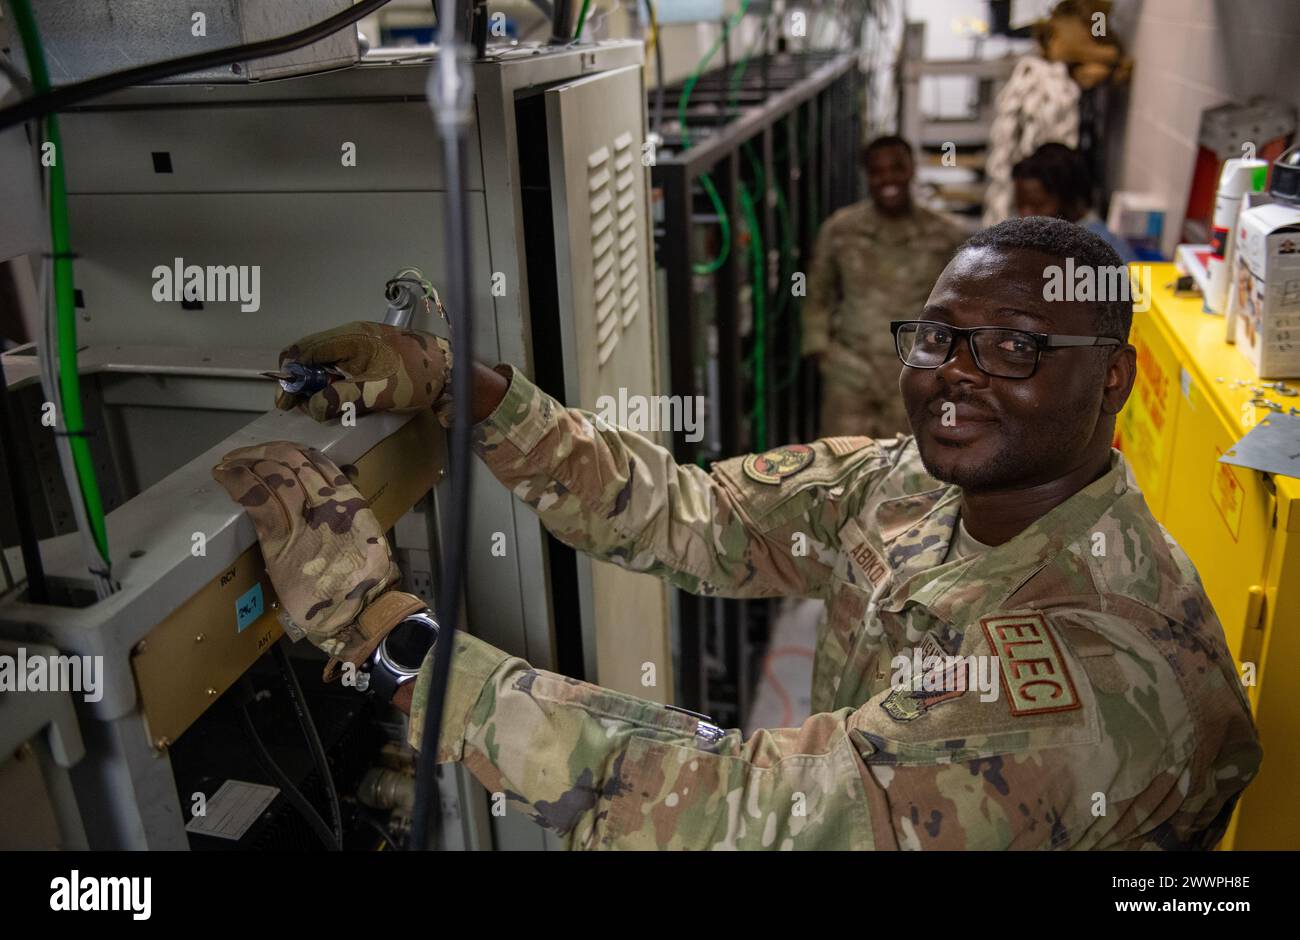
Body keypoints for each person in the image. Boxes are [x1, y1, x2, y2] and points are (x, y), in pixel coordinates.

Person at [215, 217, 1260, 850]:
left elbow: (749, 812)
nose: (956, 372)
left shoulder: (1102, 667)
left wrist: (387, 635)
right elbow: (694, 515)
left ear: (1112, 377)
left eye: (1017, 348)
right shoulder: (911, 482)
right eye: (937, 336)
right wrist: (469, 388)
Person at [802, 134, 965, 438]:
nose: (887, 178)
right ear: (868, 176)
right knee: (843, 467)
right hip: (850, 374)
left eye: (897, 168)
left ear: (911, 170)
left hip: (915, 372)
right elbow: (817, 294)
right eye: (877, 171)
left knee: (910, 469)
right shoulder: (841, 230)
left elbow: (964, 305)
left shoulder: (946, 234)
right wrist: (821, 351)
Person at [1013, 142, 1138, 262]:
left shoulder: (1101, 253)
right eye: (1020, 204)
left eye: (1038, 205)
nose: (1025, 215)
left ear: (1070, 201)